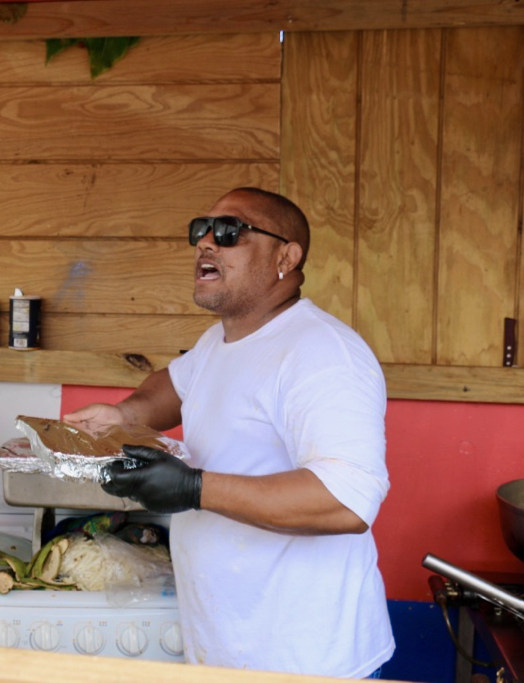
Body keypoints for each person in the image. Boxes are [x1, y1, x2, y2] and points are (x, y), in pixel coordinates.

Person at [65, 187, 393, 678]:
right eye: (201, 230)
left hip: (307, 661)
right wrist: (123, 415)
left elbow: (345, 501)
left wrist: (192, 488)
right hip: (226, 650)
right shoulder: (221, 340)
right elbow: (175, 384)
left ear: (287, 255)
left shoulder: (322, 354)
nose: (206, 243)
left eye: (229, 232)